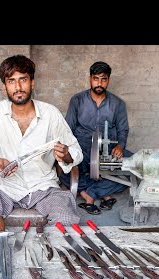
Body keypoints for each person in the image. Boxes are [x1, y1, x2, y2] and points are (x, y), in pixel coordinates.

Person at [0, 55, 83, 226]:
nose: (18, 87)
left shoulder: (50, 113)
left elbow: (76, 152)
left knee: (66, 218)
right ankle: (0, 251)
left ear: (32, 83)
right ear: (4, 86)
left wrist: (65, 155)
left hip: (44, 188)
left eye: (23, 79)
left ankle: (46, 251)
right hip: (5, 188)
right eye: (11, 81)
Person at [59, 61, 133, 215]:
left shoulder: (118, 104)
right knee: (62, 170)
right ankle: (103, 193)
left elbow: (123, 129)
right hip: (82, 147)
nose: (99, 83)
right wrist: (69, 151)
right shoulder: (77, 100)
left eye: (103, 79)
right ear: (90, 79)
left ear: (108, 80)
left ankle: (89, 194)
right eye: (96, 79)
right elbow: (68, 129)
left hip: (107, 149)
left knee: (133, 168)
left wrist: (120, 146)